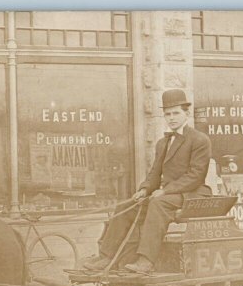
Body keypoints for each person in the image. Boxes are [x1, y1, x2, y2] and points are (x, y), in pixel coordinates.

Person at [81, 89, 213, 274]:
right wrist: (144, 189)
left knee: (158, 203)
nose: (172, 118)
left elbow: (195, 176)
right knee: (124, 207)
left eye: (176, 113)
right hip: (169, 194)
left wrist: (166, 191)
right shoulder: (163, 143)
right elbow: (154, 173)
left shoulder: (199, 140)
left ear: (187, 113)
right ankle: (106, 257)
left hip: (192, 194)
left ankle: (146, 261)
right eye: (168, 114)